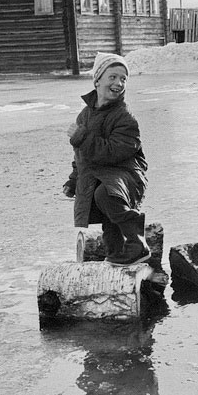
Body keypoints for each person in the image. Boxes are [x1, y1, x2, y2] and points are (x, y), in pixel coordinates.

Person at [62, 52, 150, 266]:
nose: (118, 83)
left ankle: (138, 244)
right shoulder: (85, 115)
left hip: (128, 175)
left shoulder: (125, 117)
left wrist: (82, 137)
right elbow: (81, 156)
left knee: (107, 193)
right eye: (113, 77)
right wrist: (74, 180)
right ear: (98, 79)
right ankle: (116, 256)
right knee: (102, 204)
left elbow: (114, 152)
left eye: (123, 79)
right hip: (101, 175)